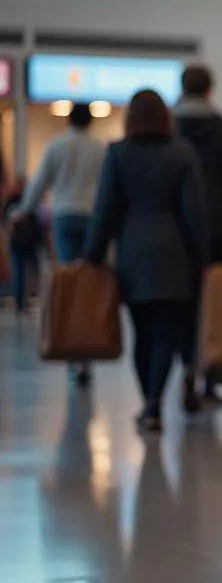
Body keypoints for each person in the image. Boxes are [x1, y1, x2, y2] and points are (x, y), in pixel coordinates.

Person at [85, 89, 207, 433]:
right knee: (167, 333)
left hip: (133, 253)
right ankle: (155, 401)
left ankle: (149, 404)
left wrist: (93, 254)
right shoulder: (183, 154)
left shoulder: (119, 153)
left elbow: (105, 210)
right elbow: (195, 213)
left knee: (142, 333)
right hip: (175, 254)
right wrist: (202, 257)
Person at [173, 63, 222, 412]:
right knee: (214, 302)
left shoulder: (169, 125)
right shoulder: (220, 126)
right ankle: (210, 379)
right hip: (216, 225)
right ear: (209, 90)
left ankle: (186, 368)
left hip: (177, 229)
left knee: (183, 302)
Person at [14, 101, 106, 381]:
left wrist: (23, 210)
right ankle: (87, 352)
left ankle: (72, 353)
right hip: (92, 218)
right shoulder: (99, 149)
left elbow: (40, 182)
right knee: (88, 284)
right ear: (91, 121)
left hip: (65, 215)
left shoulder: (57, 146)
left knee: (68, 283)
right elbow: (108, 188)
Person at [3, 175, 44, 314]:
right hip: (29, 242)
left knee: (19, 271)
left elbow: (6, 223)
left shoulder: (11, 203)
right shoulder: (30, 202)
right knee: (35, 271)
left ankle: (20, 301)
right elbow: (37, 223)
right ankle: (39, 298)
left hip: (17, 241)